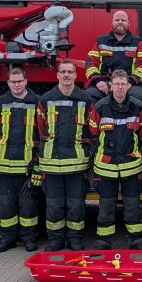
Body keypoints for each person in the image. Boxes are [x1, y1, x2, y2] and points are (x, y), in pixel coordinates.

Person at [89, 70, 142, 249]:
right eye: (116, 84)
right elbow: (93, 133)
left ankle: (136, 240)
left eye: (123, 84)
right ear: (110, 86)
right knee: (106, 207)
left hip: (131, 166)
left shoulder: (138, 106)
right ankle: (103, 241)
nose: (120, 87)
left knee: (133, 207)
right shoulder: (99, 107)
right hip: (106, 167)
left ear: (128, 86)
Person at [37, 60, 91, 251]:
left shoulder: (85, 100)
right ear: (57, 75)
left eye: (70, 72)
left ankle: (75, 240)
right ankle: (56, 241)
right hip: (51, 164)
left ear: (76, 76)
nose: (67, 75)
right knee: (54, 206)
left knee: (76, 205)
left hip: (77, 164)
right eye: (63, 72)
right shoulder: (46, 99)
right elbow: (40, 130)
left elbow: (90, 131)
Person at [0, 67, 41, 253]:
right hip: (5, 165)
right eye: (13, 82)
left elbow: (42, 131)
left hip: (27, 164)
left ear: (26, 81)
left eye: (20, 81)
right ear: (8, 83)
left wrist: (37, 163)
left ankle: (29, 238)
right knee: (5, 205)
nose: (17, 85)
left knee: (27, 205)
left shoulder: (36, 102)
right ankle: (8, 238)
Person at [84, 10, 142, 104]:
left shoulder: (139, 42)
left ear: (129, 23)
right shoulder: (100, 41)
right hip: (105, 83)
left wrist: (130, 82)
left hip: (129, 83)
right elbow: (90, 64)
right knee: (89, 94)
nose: (120, 22)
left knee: (137, 95)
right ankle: (93, 119)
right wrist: (98, 81)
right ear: (112, 23)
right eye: (117, 20)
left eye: (123, 20)